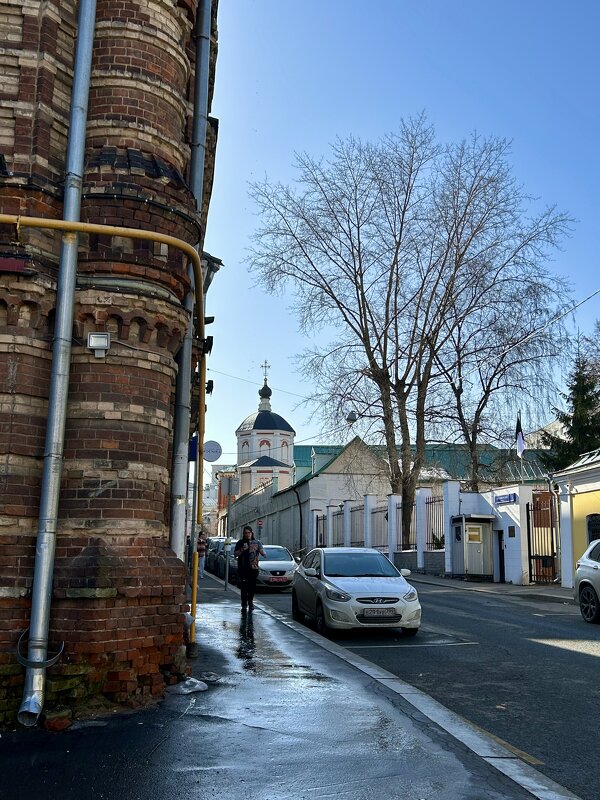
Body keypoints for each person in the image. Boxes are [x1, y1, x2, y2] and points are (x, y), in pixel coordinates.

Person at [234, 525, 266, 612]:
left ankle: (250, 603)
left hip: (253, 569)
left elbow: (264, 553)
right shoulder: (240, 542)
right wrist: (242, 550)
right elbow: (235, 554)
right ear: (243, 534)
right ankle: (244, 604)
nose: (247, 535)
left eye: (249, 533)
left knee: (251, 587)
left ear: (252, 533)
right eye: (245, 533)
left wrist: (261, 552)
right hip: (243, 568)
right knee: (244, 587)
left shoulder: (257, 542)